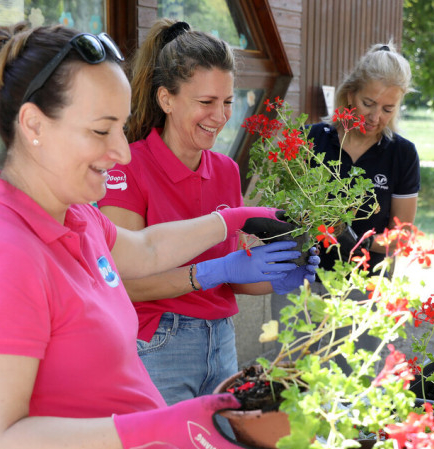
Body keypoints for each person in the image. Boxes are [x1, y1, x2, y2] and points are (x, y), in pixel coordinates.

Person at [0, 23, 296, 449]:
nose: (122, 152)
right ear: (33, 126)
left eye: (122, 128)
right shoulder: (0, 254)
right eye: (102, 130)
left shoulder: (73, 215)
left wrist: (235, 219)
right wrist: (161, 426)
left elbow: (146, 248)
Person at [97, 19, 318, 408]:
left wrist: (278, 277)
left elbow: (229, 277)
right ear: (166, 99)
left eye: (228, 101)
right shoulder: (128, 168)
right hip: (159, 342)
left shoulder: (226, 170)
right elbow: (122, 283)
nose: (220, 116)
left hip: (222, 341)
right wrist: (214, 271)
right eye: (206, 102)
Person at [307, 42, 420, 273]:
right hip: (304, 277)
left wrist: (360, 243)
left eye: (388, 109)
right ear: (350, 95)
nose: (375, 117)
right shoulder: (311, 140)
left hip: (366, 284)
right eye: (368, 104)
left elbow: (402, 236)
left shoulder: (402, 154)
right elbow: (284, 212)